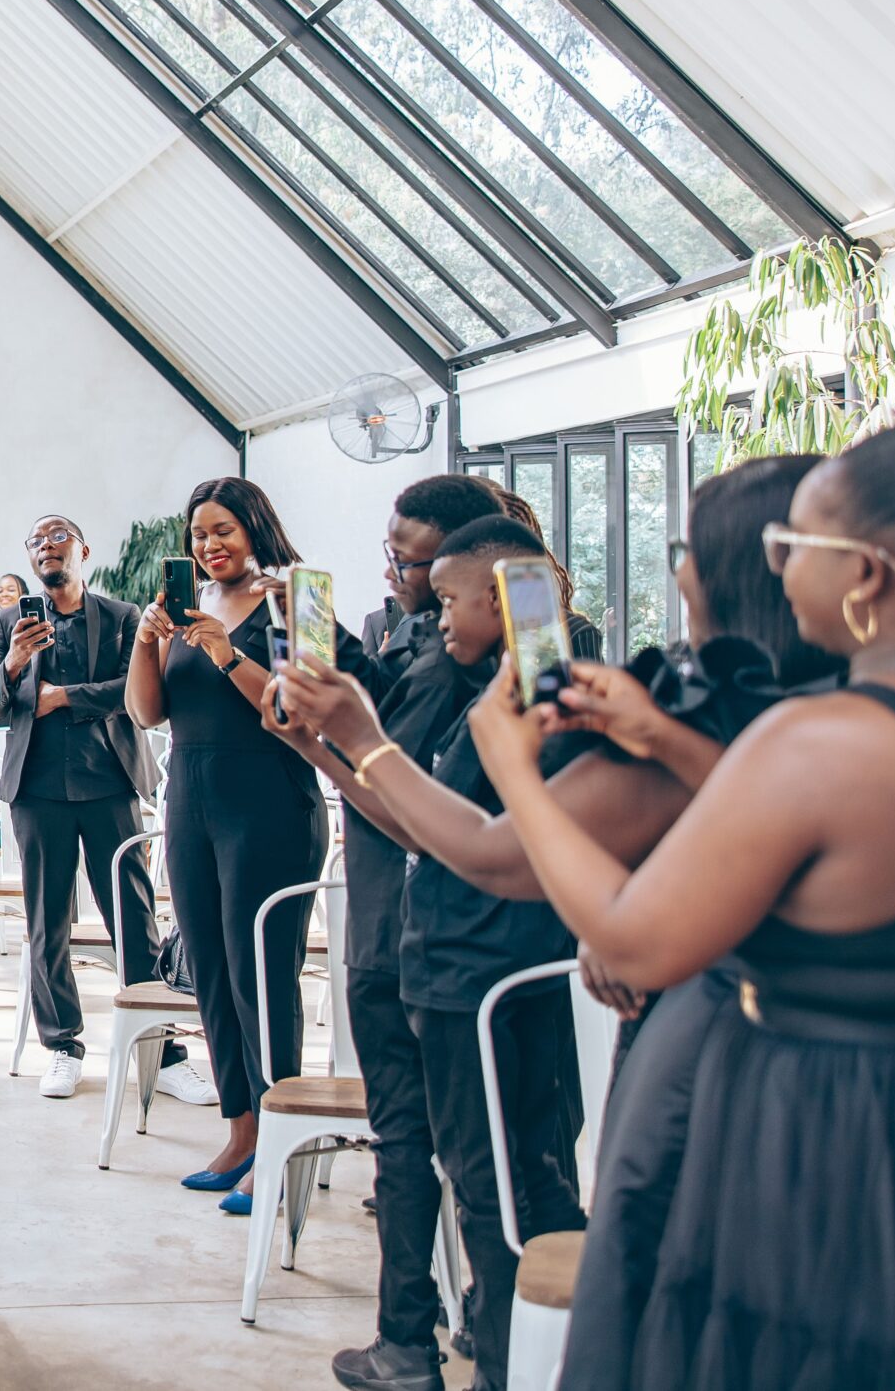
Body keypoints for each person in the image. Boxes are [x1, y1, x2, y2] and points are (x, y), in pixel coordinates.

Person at [273, 458, 839, 1390]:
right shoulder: (730, 718)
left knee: (509, 1191)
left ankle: (497, 1359)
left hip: (510, 977)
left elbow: (493, 851)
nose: (676, 568)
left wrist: (370, 742)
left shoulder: (702, 719)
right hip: (610, 995)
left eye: (689, 548)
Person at [470, 381, 895, 1390]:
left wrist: (514, 771)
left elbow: (634, 938)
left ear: (867, 576)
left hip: (825, 1123)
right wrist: (657, 734)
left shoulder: (823, 740)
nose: (773, 567)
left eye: (792, 545)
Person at [266, 515, 597, 1385]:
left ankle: (503, 1362)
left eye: (448, 598)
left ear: (502, 597)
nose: (434, 616)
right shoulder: (507, 696)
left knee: (492, 1184)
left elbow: (468, 841)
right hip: (478, 962)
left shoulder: (522, 710)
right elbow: (418, 825)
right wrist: (317, 748)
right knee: (517, 1174)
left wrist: (358, 739)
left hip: (477, 971)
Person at [124, 477, 327, 1211]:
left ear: (255, 529)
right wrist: (147, 642)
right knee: (209, 972)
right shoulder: (188, 606)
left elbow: (308, 713)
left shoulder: (297, 598)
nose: (209, 546)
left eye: (223, 531)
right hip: (192, 802)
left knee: (261, 976)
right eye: (199, 534)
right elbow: (146, 712)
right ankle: (241, 1131)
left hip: (270, 803)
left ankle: (279, 1143)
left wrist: (227, 654)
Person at [0, 517, 183, 1101]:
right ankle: (62, 1046)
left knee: (133, 917)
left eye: (57, 536)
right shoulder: (7, 624)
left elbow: (132, 690)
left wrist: (63, 697)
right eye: (35, 540)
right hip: (36, 790)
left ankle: (161, 1050)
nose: (46, 545)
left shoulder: (121, 616)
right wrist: (14, 662)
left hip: (110, 783)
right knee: (47, 922)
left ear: (82, 550)